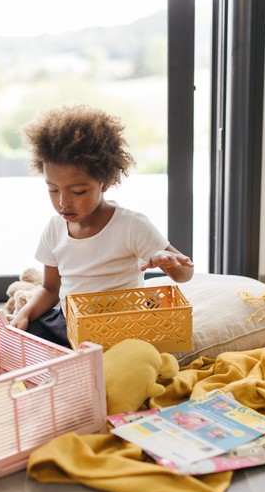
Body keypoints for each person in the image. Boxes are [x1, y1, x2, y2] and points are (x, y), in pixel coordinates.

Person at [10, 104, 194, 347]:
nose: (63, 202)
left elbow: (185, 275)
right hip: (72, 324)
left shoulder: (131, 225)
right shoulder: (55, 229)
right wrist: (23, 314)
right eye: (53, 190)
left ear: (105, 181)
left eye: (78, 191)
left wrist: (168, 263)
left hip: (122, 328)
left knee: (135, 355)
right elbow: (50, 289)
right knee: (31, 332)